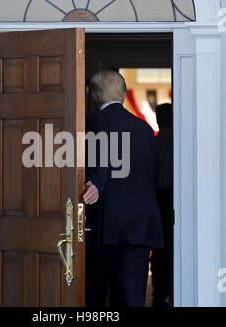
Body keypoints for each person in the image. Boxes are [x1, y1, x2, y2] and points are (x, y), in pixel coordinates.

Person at [84, 71, 164, 307]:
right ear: (122, 93)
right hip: (140, 225)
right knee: (132, 298)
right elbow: (152, 178)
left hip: (104, 225)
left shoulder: (93, 123)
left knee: (94, 298)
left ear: (94, 96)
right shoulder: (144, 129)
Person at [150, 103, 173, 307]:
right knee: (175, 245)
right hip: (175, 198)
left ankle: (159, 294)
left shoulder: (155, 143)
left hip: (158, 198)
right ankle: (174, 291)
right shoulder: (180, 142)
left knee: (159, 247)